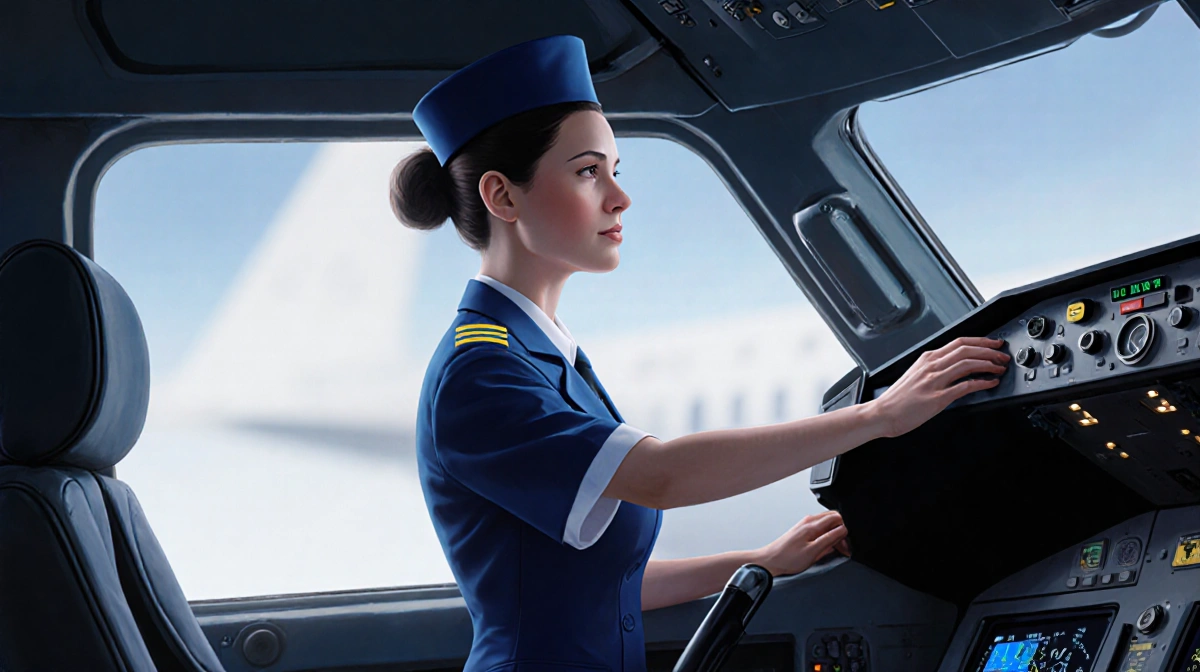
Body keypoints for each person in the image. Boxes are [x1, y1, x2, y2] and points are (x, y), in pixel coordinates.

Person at [390, 34, 1008, 672]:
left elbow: (597, 585)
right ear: (503, 197)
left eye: (614, 170)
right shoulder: (482, 374)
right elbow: (661, 476)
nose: (619, 197)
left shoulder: (542, 356)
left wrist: (759, 563)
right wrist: (879, 418)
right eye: (586, 171)